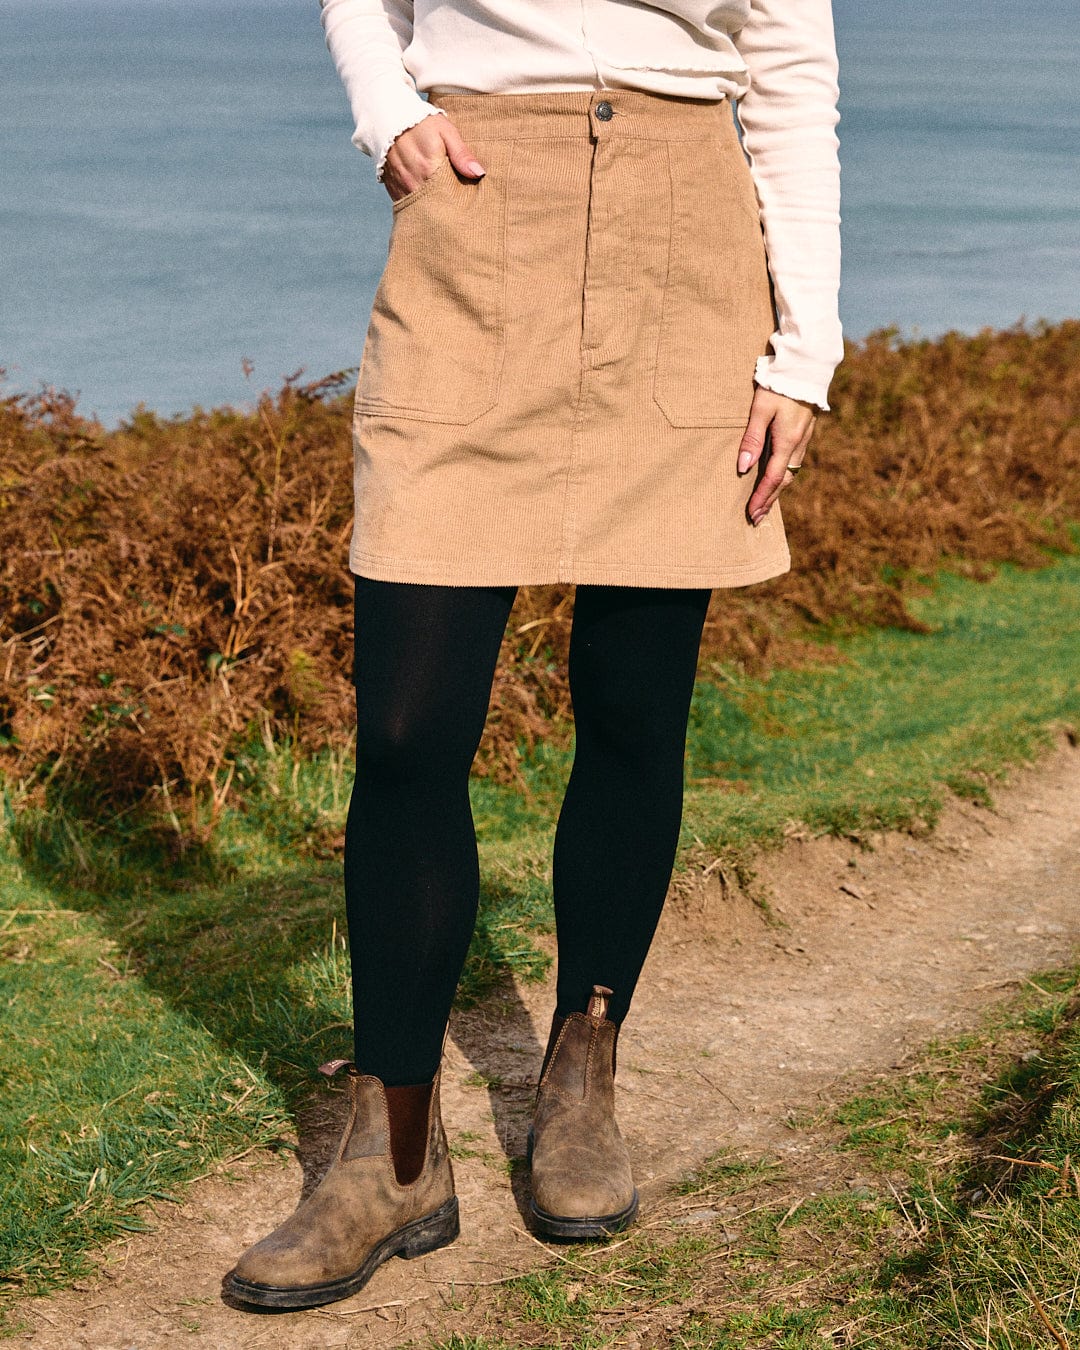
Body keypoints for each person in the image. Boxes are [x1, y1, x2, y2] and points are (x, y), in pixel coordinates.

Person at [227, 0, 842, 1310]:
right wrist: (385, 110)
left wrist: (807, 349)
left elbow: (790, 72)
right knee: (404, 726)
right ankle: (394, 1151)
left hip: (686, 228)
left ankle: (581, 1064)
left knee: (631, 707)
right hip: (474, 206)